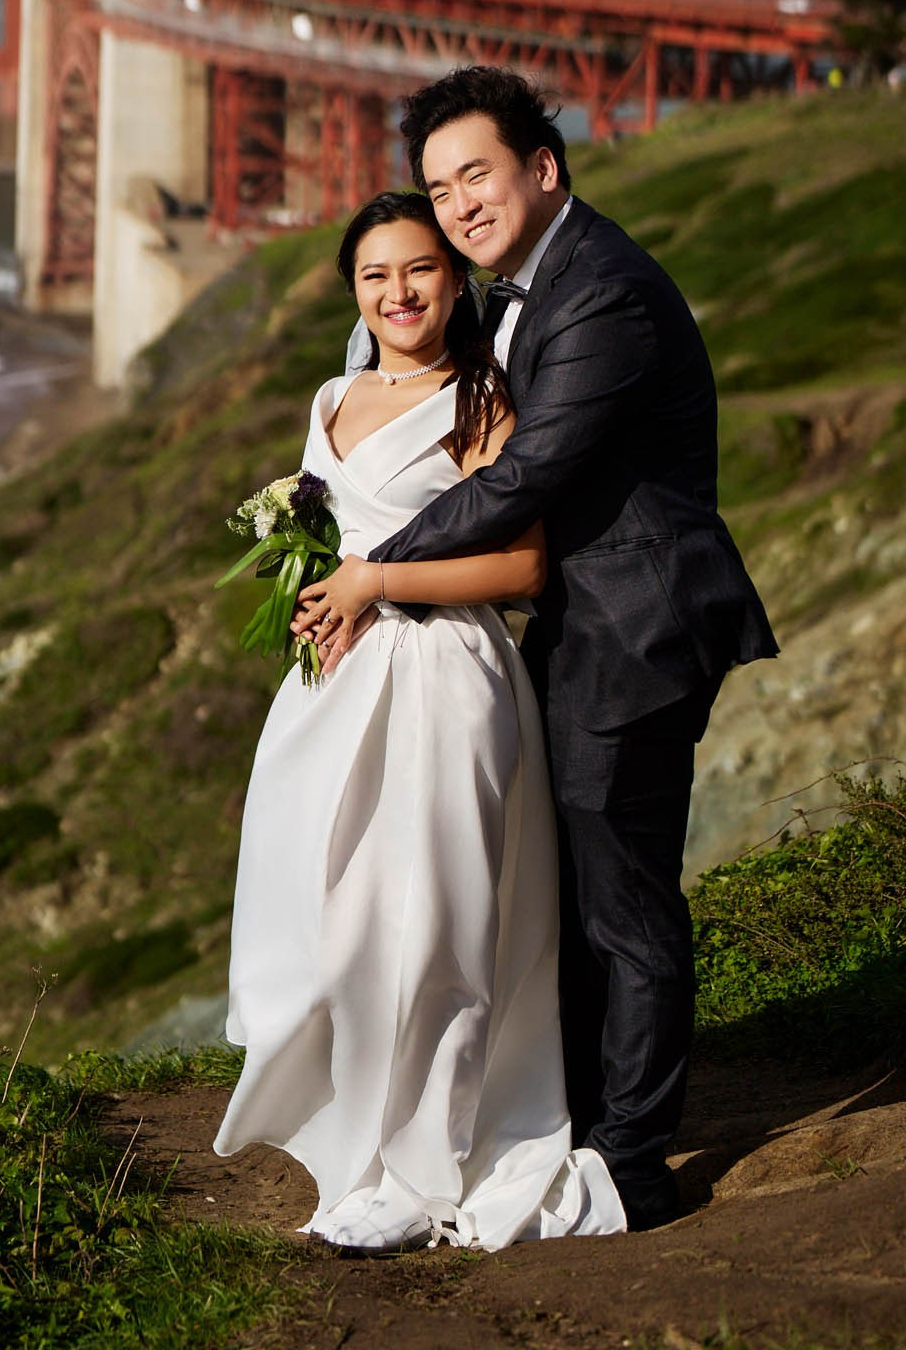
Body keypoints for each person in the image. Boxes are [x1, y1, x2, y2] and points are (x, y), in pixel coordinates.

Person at [312, 66, 777, 1233]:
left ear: (543, 167)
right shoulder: (520, 285)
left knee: (624, 906)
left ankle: (632, 1168)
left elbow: (529, 474)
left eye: (477, 174)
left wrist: (374, 567)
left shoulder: (602, 290)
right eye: (440, 187)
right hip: (586, 626)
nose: (459, 204)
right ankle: (565, 1123)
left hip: (639, 626)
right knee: (566, 895)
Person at [214, 192, 626, 1254]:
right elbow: (336, 530)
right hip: (336, 687)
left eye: (420, 270)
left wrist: (376, 583)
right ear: (352, 291)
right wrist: (314, 592)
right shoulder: (333, 394)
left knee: (436, 923)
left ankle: (421, 1166)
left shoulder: (479, 401)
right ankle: (359, 1144)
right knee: (326, 923)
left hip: (444, 676)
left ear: (455, 281)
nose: (397, 293)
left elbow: (522, 568)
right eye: (374, 275)